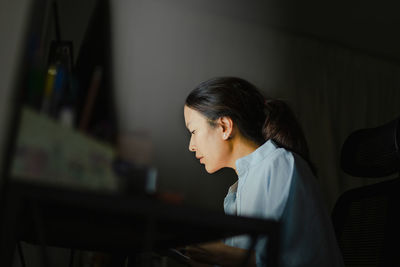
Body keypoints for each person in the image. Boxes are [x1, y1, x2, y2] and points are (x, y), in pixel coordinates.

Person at [182, 77, 344, 267]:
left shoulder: (279, 165)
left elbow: (296, 261)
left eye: (193, 131)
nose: (191, 146)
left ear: (224, 127)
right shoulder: (237, 190)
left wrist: (222, 255)